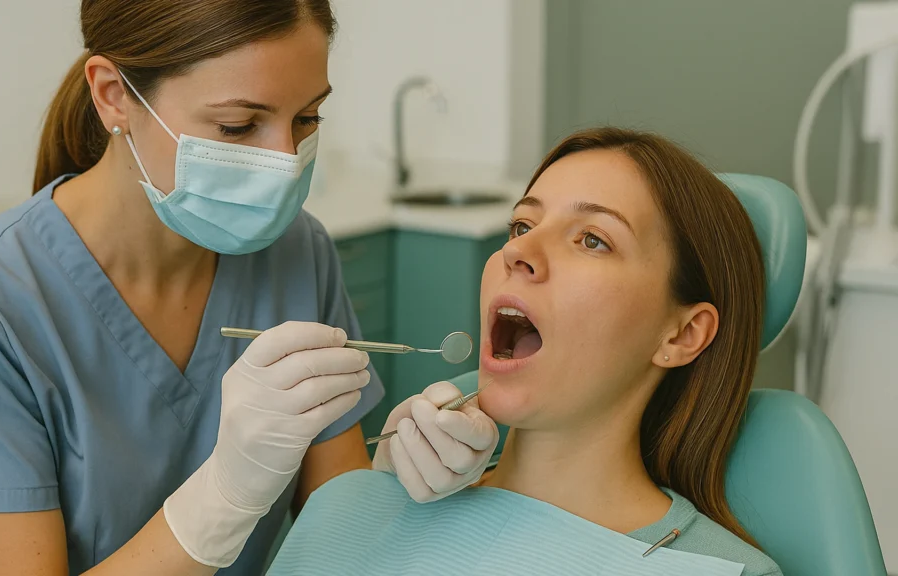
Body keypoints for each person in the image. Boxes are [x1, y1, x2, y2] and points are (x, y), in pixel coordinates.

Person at [0, 1, 497, 574]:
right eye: (238, 126)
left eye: (307, 118)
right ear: (113, 97)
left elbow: (337, 526)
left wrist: (394, 481)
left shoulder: (298, 251)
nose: (285, 160)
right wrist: (220, 500)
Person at [268, 128, 784, 575]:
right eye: (522, 226)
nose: (517, 251)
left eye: (592, 240)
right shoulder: (361, 504)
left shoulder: (719, 569)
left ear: (681, 335)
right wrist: (371, 502)